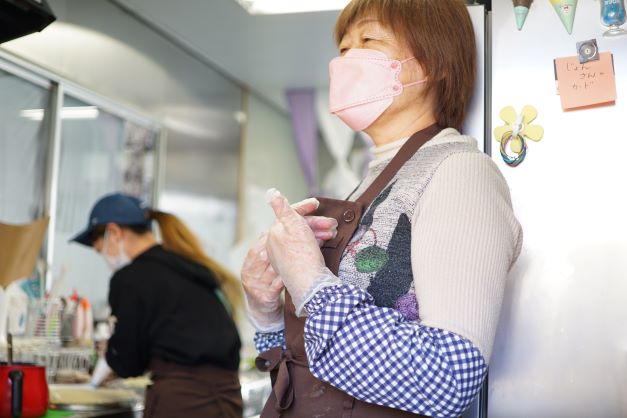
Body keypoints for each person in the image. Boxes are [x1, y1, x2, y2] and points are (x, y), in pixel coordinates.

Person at [241, 1, 523, 417]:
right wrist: (265, 313)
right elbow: (306, 377)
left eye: (369, 40)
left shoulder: (459, 172)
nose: (347, 60)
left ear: (435, 62)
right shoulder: (370, 183)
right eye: (343, 48)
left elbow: (447, 379)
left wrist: (311, 285)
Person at [71, 193, 243, 418]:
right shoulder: (189, 267)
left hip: (183, 403)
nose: (103, 256)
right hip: (228, 398)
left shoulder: (130, 278)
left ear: (113, 232)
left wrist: (112, 354)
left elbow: (128, 361)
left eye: (99, 248)